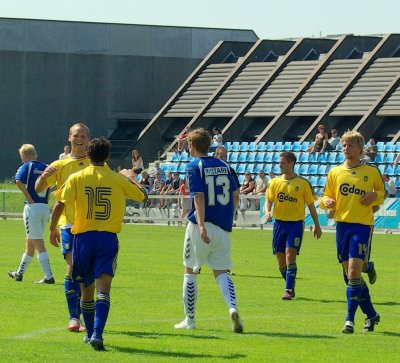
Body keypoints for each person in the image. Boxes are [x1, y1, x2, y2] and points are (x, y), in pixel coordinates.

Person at [52, 137, 147, 350]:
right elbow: (143, 197)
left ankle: (88, 331)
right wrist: (131, 177)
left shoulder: (77, 177)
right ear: (108, 157)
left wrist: (52, 228)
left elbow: (61, 201)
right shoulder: (117, 179)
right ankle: (97, 334)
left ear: (87, 155)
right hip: (107, 238)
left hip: (82, 238)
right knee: (103, 289)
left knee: (86, 289)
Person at [174, 128, 243, 333]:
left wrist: (202, 225)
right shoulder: (224, 165)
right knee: (221, 271)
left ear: (192, 146)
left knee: (190, 271)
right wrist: (229, 216)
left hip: (199, 226)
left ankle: (190, 319)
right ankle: (232, 308)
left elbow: (199, 197)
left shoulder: (194, 166)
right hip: (223, 227)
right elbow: (235, 194)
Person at [320, 131, 385, 334]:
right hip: (342, 226)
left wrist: (375, 195)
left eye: (349, 145)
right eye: (344, 145)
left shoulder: (371, 172)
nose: (345, 148)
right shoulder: (335, 172)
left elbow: (382, 194)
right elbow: (325, 197)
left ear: (359, 148)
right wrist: (326, 203)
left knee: (354, 272)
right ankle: (372, 315)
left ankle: (349, 320)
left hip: (362, 226)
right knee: (350, 277)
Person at [35, 123, 90, 333]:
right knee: (73, 266)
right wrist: (44, 175)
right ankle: (74, 317)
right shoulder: (59, 164)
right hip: (68, 223)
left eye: (83, 136)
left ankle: (83, 315)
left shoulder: (93, 163)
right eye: (76, 135)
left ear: (88, 139)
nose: (79, 139)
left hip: (91, 225)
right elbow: (40, 188)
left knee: (87, 274)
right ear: (69, 137)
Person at [264, 152, 322, 300]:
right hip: (279, 224)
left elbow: (311, 205)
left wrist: (317, 225)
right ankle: (291, 282)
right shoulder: (275, 182)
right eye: (279, 162)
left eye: (282, 163)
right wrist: (267, 212)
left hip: (295, 225)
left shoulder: (303, 183)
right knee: (280, 260)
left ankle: (288, 289)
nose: (279, 165)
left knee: (290, 255)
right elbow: (269, 200)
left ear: (291, 164)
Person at [8, 144, 54, 284]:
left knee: (38, 243)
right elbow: (53, 183)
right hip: (44, 208)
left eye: (22, 157)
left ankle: (48, 276)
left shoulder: (27, 166)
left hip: (32, 208)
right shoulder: (46, 166)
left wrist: (28, 196)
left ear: (24, 156)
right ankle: (19, 273)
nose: (22, 160)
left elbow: (18, 180)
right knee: (30, 243)